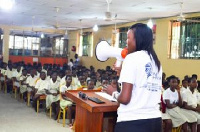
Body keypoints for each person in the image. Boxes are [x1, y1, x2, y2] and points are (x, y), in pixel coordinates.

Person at [103, 23, 162, 132]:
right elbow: (143, 82)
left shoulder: (131, 58)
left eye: (128, 38)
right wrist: (123, 73)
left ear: (138, 40)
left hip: (133, 122)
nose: (126, 42)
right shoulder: (156, 61)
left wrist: (113, 92)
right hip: (155, 122)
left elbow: (125, 99)